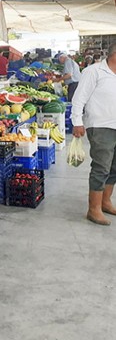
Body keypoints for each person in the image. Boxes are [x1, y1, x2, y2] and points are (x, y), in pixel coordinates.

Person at [71, 43, 116, 226]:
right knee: (102, 167)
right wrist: (77, 122)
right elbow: (79, 97)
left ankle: (106, 202)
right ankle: (93, 209)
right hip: (100, 126)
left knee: (114, 168)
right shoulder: (94, 71)